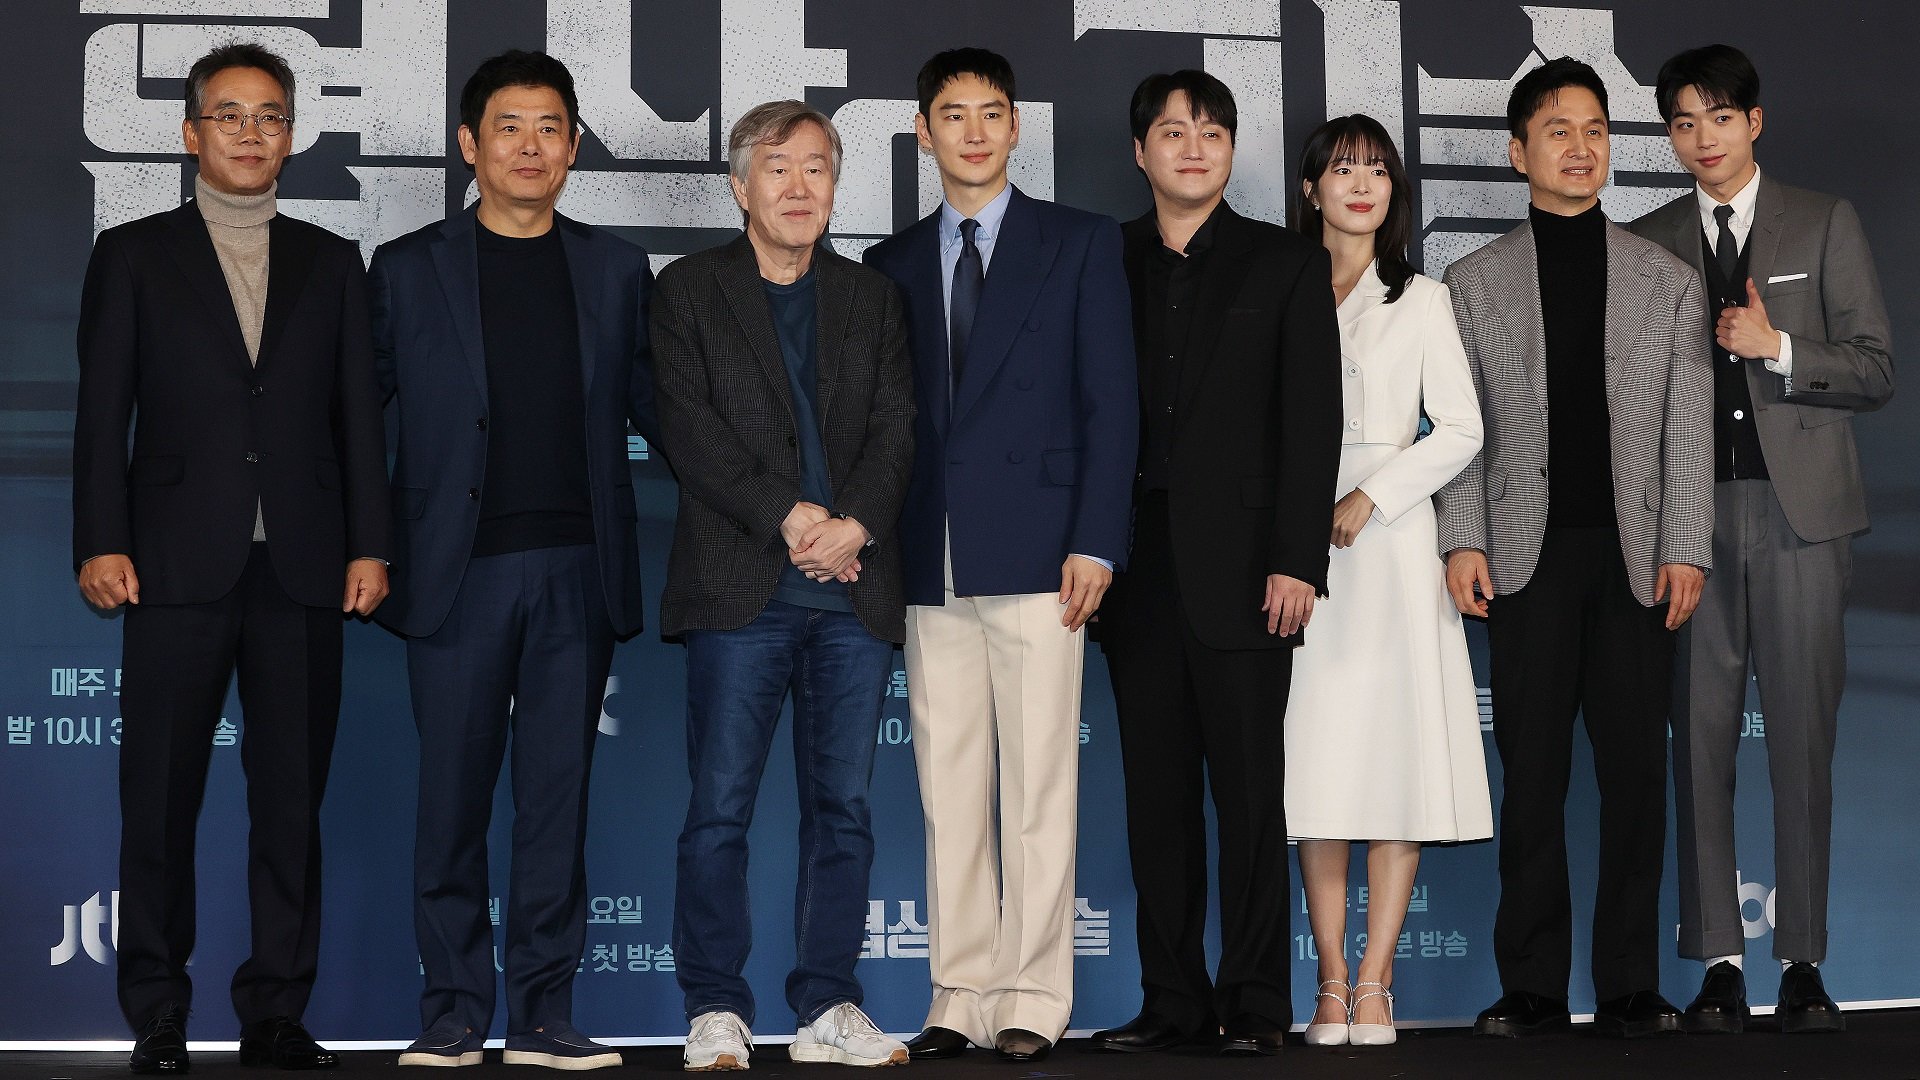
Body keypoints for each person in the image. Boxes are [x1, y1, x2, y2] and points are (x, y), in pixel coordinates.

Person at [72, 41, 390, 1074]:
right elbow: (101, 415)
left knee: (290, 804)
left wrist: (369, 545)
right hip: (170, 562)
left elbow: (358, 421)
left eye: (269, 116)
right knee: (159, 802)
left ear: (291, 136)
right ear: (190, 132)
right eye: (229, 114)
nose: (250, 133)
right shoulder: (132, 255)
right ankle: (157, 1011)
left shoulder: (331, 261)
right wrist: (101, 537)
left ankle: (276, 1014)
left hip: (303, 566)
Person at [368, 50, 655, 1070]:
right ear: (468, 144)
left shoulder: (617, 269)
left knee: (555, 807)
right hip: (456, 574)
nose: (530, 147)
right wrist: (366, 546)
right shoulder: (407, 268)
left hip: (578, 569)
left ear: (573, 147)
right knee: (450, 804)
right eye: (508, 127)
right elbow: (360, 421)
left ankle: (542, 1014)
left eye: (550, 128)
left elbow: (665, 412)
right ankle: (452, 1008)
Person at [863, 47, 1136, 1063]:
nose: (974, 132)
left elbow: (1112, 405)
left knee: (1037, 789)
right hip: (931, 551)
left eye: (991, 113)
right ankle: (960, 992)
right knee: (949, 787)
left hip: (1043, 549)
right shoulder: (890, 261)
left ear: (1017, 127)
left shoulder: (1080, 242)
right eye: (953, 115)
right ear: (922, 131)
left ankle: (1031, 993)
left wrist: (1096, 540)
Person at [1433, 57, 1713, 1040]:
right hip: (1526, 558)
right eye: (1558, 131)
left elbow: (1687, 429)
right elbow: (1460, 430)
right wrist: (1461, 539)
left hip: (1638, 560)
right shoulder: (1471, 284)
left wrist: (1686, 544)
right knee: (1534, 776)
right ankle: (1533, 987)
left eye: (1596, 130)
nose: (1581, 148)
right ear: (1519, 153)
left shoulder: (1667, 281)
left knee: (1637, 775)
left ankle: (1632, 982)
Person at [1632, 43, 1894, 1035]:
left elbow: (1874, 368)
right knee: (1698, 745)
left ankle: (1805, 962)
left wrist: (1775, 347)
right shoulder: (1647, 239)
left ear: (1755, 121)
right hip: (1689, 526)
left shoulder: (1823, 222)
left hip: (1802, 521)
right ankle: (1717, 961)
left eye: (1719, 117)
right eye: (1683, 122)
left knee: (1802, 744)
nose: (1702, 138)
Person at [650, 99, 916, 1072]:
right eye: (778, 167)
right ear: (739, 185)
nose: (799, 186)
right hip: (739, 593)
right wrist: (795, 518)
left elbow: (897, 428)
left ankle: (828, 1005)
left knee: (843, 814)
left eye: (817, 168)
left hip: (852, 595)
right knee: (719, 810)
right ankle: (715, 1007)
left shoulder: (872, 297)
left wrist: (854, 526)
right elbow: (688, 428)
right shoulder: (688, 290)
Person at [1089, 70, 1340, 1058]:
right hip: (1135, 571)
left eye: (1213, 133)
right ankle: (1172, 999)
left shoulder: (1285, 262)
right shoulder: (1102, 261)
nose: (1194, 148)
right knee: (1156, 804)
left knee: (1248, 799)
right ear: (1139, 151)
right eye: (1173, 132)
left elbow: (1311, 422)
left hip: (1249, 574)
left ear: (1233, 151)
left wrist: (1297, 561)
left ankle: (1258, 1000)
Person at [1283, 112, 1491, 1048]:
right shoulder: (1280, 287)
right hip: (1296, 544)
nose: (1361, 184)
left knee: (1395, 761)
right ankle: (1328, 982)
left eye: (1376, 169)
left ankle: (1377, 982)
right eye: (1342, 168)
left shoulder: (1424, 298)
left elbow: (1462, 427)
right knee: (1318, 760)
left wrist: (1375, 493)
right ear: (1310, 189)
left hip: (1394, 544)